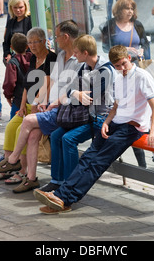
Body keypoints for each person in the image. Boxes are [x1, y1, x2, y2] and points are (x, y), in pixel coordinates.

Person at [33, 45, 154, 213]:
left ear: (129, 58)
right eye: (117, 66)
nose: (121, 68)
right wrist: (107, 121)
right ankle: (61, 195)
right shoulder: (119, 77)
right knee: (88, 157)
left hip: (132, 126)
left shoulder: (142, 76)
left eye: (123, 64)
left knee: (98, 162)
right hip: (116, 122)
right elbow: (116, 105)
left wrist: (153, 131)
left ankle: (65, 199)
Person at [0, 23, 80, 192]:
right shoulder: (60, 57)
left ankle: (13, 161)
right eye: (29, 42)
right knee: (30, 135)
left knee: (29, 123)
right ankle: (31, 178)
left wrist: (46, 103)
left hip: (61, 109)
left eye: (58, 36)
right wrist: (39, 103)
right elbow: (47, 82)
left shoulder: (72, 59)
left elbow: (70, 89)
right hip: (47, 105)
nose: (55, 40)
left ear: (65, 37)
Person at [39, 34, 115, 197]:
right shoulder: (85, 66)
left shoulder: (105, 71)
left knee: (68, 139)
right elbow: (70, 88)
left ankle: (70, 184)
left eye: (76, 53)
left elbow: (89, 98)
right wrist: (76, 93)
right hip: (84, 116)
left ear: (85, 53)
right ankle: (56, 180)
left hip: (100, 118)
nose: (74, 55)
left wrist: (76, 94)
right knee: (56, 135)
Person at [101, 0, 150, 168]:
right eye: (126, 8)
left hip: (136, 70)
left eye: (132, 8)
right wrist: (124, 52)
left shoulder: (138, 25)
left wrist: (143, 51)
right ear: (119, 10)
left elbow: (145, 42)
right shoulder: (110, 26)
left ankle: (142, 164)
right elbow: (106, 47)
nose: (129, 11)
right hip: (119, 72)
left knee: (137, 112)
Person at [2, 33, 32, 120]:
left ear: (12, 47)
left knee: (14, 125)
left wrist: (8, 96)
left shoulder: (12, 63)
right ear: (27, 46)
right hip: (35, 99)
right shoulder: (34, 58)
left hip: (19, 100)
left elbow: (10, 82)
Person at [2, 0, 32, 64]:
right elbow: (6, 42)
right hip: (13, 60)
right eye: (15, 7)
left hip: (28, 60)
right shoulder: (11, 22)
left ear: (25, 6)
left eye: (20, 7)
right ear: (11, 8)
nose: (18, 10)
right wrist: (7, 54)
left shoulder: (30, 20)